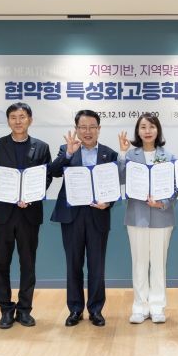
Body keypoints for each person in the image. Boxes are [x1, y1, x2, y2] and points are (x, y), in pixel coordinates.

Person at [0, 102, 52, 329]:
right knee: (1, 263)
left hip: (29, 212)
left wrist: (32, 196)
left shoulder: (41, 147)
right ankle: (6, 310)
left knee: (28, 263)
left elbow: (46, 177)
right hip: (2, 214)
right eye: (13, 117)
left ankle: (25, 310)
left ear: (30, 119)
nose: (18, 121)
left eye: (22, 117)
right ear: (8, 120)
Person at [50, 110, 119, 327]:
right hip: (72, 216)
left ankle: (96, 310)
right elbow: (53, 171)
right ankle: (75, 309)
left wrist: (109, 202)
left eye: (92, 127)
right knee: (73, 264)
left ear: (99, 129)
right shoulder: (67, 149)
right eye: (83, 127)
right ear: (76, 129)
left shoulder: (109, 154)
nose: (87, 131)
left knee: (97, 266)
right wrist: (68, 155)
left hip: (98, 214)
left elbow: (114, 185)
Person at [117, 113, 177, 324]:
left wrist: (162, 203)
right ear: (138, 131)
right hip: (137, 216)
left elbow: (175, 186)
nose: (148, 131)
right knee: (139, 263)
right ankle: (140, 307)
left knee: (159, 263)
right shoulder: (130, 155)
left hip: (162, 216)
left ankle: (157, 306)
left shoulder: (169, 156)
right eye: (143, 127)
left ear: (158, 130)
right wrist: (122, 153)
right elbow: (120, 178)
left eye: (152, 126)